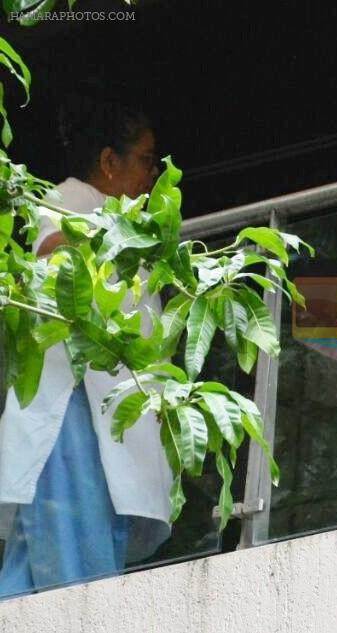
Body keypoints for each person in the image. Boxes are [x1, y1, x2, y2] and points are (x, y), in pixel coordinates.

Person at [0, 96, 172, 598]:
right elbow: (51, 255)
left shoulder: (119, 220)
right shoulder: (67, 202)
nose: (155, 175)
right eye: (147, 160)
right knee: (73, 580)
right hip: (74, 417)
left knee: (41, 576)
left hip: (105, 424)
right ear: (108, 162)